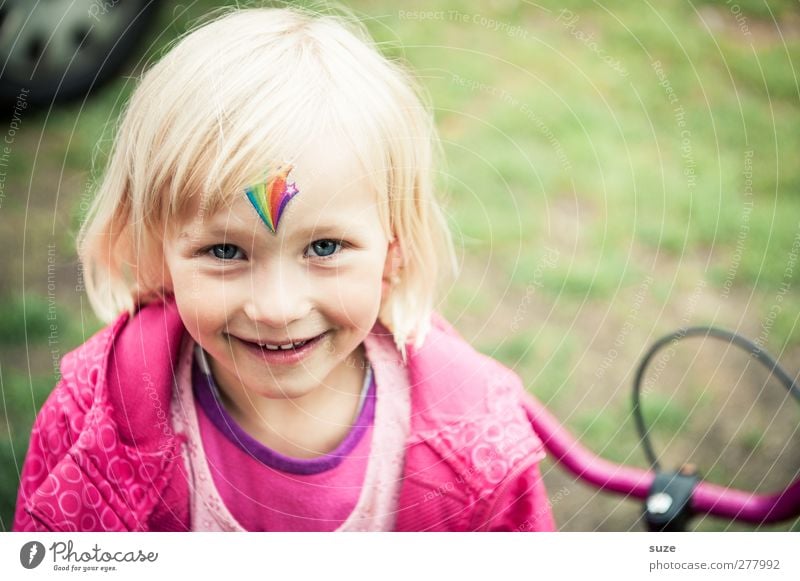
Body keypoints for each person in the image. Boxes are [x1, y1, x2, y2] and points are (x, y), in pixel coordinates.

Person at [13, 7, 554, 532]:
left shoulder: (473, 446)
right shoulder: (92, 427)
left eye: (324, 247)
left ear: (394, 252)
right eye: (225, 252)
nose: (276, 308)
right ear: (157, 252)